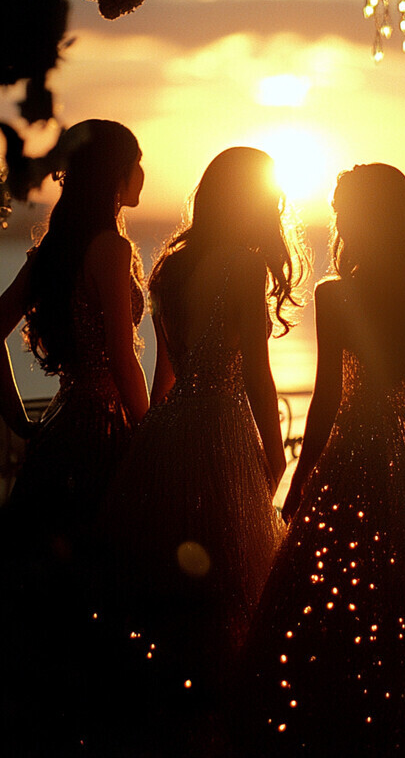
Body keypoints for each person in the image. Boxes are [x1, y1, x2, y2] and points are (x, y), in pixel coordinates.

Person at [238, 163, 405, 756]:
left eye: (341, 208)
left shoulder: (337, 294)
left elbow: (328, 396)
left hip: (360, 450)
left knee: (338, 597)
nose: (336, 218)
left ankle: (338, 713)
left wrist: (303, 476)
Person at [104, 147, 304, 701]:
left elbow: (164, 370)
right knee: (231, 570)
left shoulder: (173, 265)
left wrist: (156, 443)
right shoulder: (244, 263)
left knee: (171, 571)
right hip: (221, 425)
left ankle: (168, 687)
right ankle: (217, 692)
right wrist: (275, 449)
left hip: (172, 427)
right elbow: (259, 377)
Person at [0, 118, 149, 755]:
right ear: (116, 176)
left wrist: (19, 420)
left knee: (48, 597)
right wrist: (152, 435)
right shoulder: (110, 250)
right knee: (102, 589)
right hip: (102, 432)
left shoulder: (54, 252)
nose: (145, 175)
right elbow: (123, 357)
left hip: (59, 426)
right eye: (138, 162)